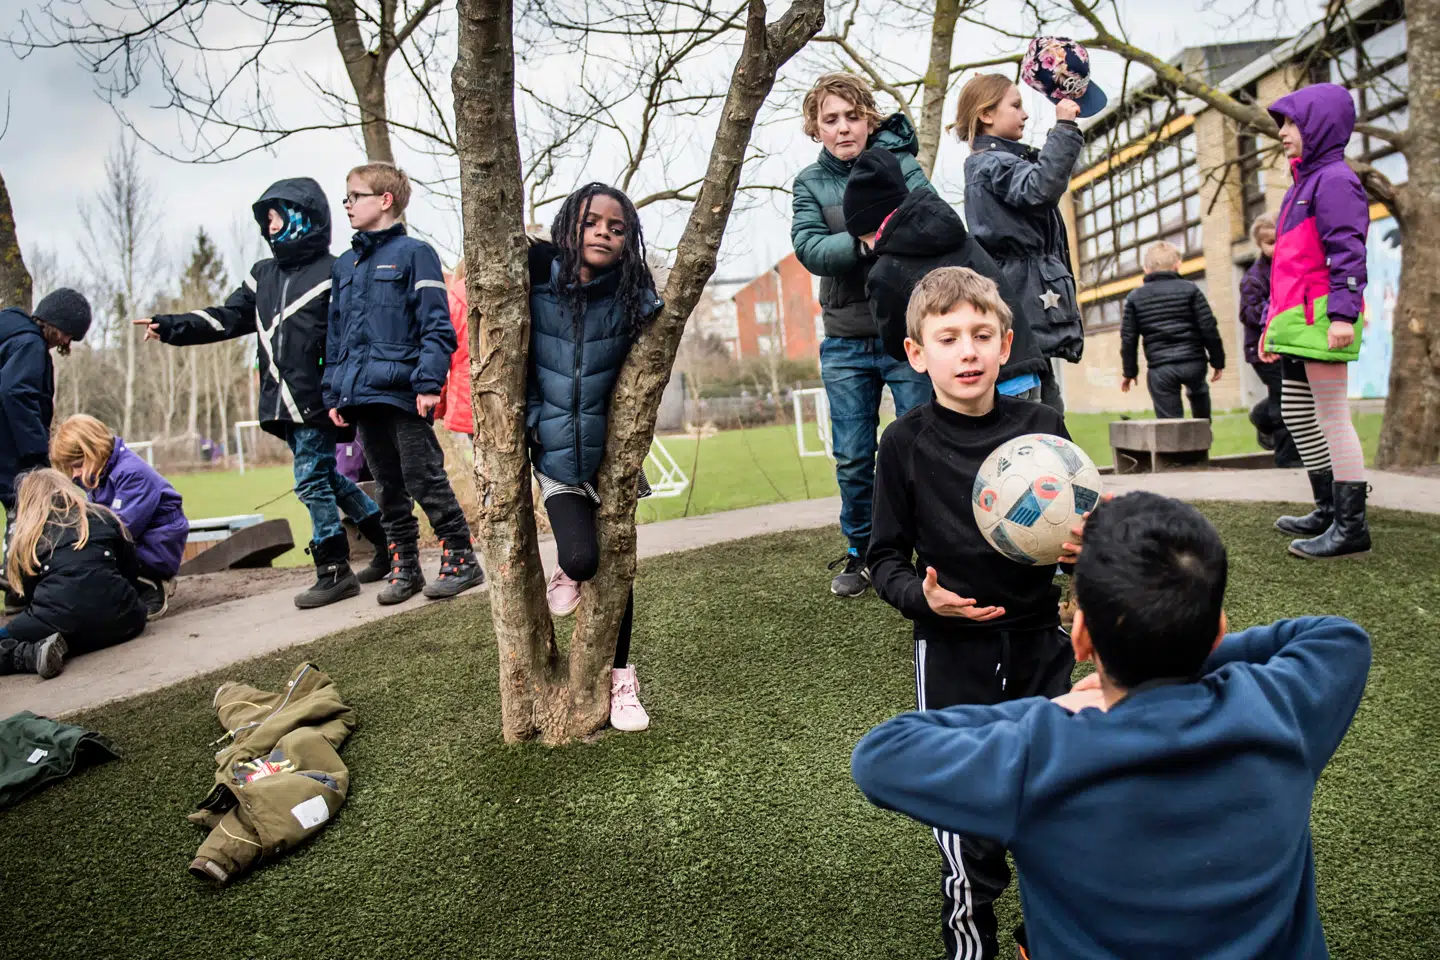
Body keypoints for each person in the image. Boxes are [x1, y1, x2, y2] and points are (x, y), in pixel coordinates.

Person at [852, 490, 1371, 960]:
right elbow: (1337, 637)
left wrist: (1055, 708)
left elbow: (881, 755)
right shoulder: (1283, 710)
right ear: (1218, 632)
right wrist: (1181, 650)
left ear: (1079, 640)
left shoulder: (1038, 756)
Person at [866, 266, 1077, 960]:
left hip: (1042, 645)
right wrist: (919, 597)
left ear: (1006, 343)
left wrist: (1081, 551)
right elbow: (884, 557)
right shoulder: (905, 443)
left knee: (1059, 799)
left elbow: (1076, 524)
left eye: (982, 335)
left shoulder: (1042, 428)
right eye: (949, 337)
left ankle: (1040, 939)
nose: (968, 351)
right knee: (966, 811)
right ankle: (972, 942)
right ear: (918, 354)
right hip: (952, 652)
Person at [136, 178, 388, 609]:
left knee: (310, 480)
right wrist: (172, 326)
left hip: (320, 400)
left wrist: (344, 394)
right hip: (279, 400)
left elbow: (353, 336)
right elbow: (226, 317)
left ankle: (334, 569)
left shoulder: (336, 270)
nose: (267, 226)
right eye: (265, 220)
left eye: (273, 217)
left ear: (298, 217)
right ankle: (387, 542)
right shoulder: (262, 276)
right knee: (324, 477)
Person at [791, 72, 934, 600]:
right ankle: (863, 550)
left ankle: (926, 548)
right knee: (854, 454)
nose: (844, 127)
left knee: (920, 444)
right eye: (831, 119)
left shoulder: (904, 166)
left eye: (853, 116)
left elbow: (932, 220)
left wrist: (870, 234)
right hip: (846, 340)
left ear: (869, 119)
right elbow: (810, 249)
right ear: (816, 128)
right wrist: (869, 240)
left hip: (907, 333)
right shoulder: (809, 182)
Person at [526, 183, 661, 733]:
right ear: (568, 228)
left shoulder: (627, 297)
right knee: (583, 561)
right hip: (556, 460)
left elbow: (657, 325)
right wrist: (534, 424)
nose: (604, 231)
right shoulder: (536, 290)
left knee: (617, 569)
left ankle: (622, 679)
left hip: (610, 461)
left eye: (617, 227)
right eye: (591, 222)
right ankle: (567, 569)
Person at [325, 161, 485, 604]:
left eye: (354, 196)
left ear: (385, 200)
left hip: (407, 395)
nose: (348, 205)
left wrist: (429, 383)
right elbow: (337, 335)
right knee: (387, 485)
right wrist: (335, 391)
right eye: (347, 197)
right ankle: (406, 565)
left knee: (422, 476)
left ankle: (461, 559)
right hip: (361, 395)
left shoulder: (417, 254)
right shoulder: (345, 266)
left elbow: (437, 327)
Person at [1262, 84, 1372, 559]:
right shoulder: (1303, 183)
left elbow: (1349, 250)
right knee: (1296, 412)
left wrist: (1344, 315)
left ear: (1319, 125)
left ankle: (1351, 527)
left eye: (1291, 123)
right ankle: (1328, 508)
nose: (1284, 133)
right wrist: (1271, 324)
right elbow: (1286, 265)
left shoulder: (1334, 181)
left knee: (1331, 417)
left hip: (1325, 317)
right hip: (1297, 319)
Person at [846, 146, 1048, 398]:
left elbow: (897, 343)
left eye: (864, 241)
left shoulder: (885, 273)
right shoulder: (958, 237)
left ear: (870, 231)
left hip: (975, 385)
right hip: (1021, 367)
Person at [958, 73, 1086, 414]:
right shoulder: (992, 164)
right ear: (986, 114)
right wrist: (1064, 129)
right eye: (1015, 105)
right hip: (1024, 298)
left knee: (1048, 408)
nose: (1025, 114)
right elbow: (1040, 188)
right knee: (1032, 415)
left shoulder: (1000, 163)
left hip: (1025, 294)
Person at [0, 469, 149, 680]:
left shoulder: (29, 536)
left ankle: (30, 655)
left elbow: (29, 593)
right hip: (128, 620)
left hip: (63, 624)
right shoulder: (103, 516)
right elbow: (131, 569)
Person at [0, 288, 92, 609]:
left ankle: (14, 583)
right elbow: (14, 393)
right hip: (11, 448)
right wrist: (36, 451)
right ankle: (19, 586)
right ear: (53, 323)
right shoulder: (31, 345)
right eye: (67, 334)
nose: (67, 342)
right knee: (28, 506)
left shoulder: (10, 331)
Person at [50, 414, 189, 618]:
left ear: (94, 450)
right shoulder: (100, 474)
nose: (75, 474)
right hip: (142, 542)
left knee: (94, 554)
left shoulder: (132, 474)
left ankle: (150, 584)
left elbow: (123, 528)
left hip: (157, 548)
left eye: (78, 464)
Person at [1118, 241, 1225, 420]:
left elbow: (1129, 339)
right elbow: (1208, 327)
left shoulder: (1135, 298)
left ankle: (1173, 444)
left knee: (1170, 423)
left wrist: (1129, 372)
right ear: (1177, 265)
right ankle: (1203, 436)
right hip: (1194, 362)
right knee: (1199, 398)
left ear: (1145, 268)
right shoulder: (1191, 290)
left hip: (1161, 368)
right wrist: (1217, 361)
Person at [1240, 214, 1301, 466]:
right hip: (1264, 349)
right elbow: (1248, 313)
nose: (1276, 248)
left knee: (1296, 395)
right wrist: (1275, 312)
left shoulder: (1295, 268)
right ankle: (1287, 457)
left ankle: (1260, 414)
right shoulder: (1254, 278)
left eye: (1281, 241)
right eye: (1270, 242)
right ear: (1260, 245)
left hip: (1290, 345)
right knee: (1284, 397)